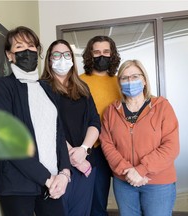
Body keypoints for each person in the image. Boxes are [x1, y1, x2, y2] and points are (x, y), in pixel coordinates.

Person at [0, 26, 71, 216]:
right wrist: (47, 179)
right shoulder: (3, 87)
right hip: (18, 185)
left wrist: (65, 173)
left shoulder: (47, 88)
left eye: (31, 45)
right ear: (10, 55)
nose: (27, 50)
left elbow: (59, 133)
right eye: (19, 47)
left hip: (54, 184)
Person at [101, 59, 180, 216]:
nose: (130, 81)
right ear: (119, 83)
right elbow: (107, 145)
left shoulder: (162, 106)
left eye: (135, 76)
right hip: (124, 181)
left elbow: (171, 146)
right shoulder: (111, 111)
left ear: (144, 80)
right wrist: (128, 171)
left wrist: (142, 170)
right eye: (124, 78)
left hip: (158, 182)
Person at [41, 39, 101, 216]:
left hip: (84, 164)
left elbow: (94, 121)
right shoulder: (41, 87)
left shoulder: (82, 87)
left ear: (72, 59)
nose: (62, 59)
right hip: (57, 166)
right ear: (49, 60)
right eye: (57, 55)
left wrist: (83, 149)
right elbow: (46, 126)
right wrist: (72, 156)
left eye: (67, 54)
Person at [80, 35, 121, 216]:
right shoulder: (78, 81)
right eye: (96, 52)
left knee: (100, 200)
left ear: (112, 55)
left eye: (106, 52)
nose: (101, 56)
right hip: (87, 147)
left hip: (113, 147)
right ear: (90, 55)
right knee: (82, 199)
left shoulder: (120, 82)